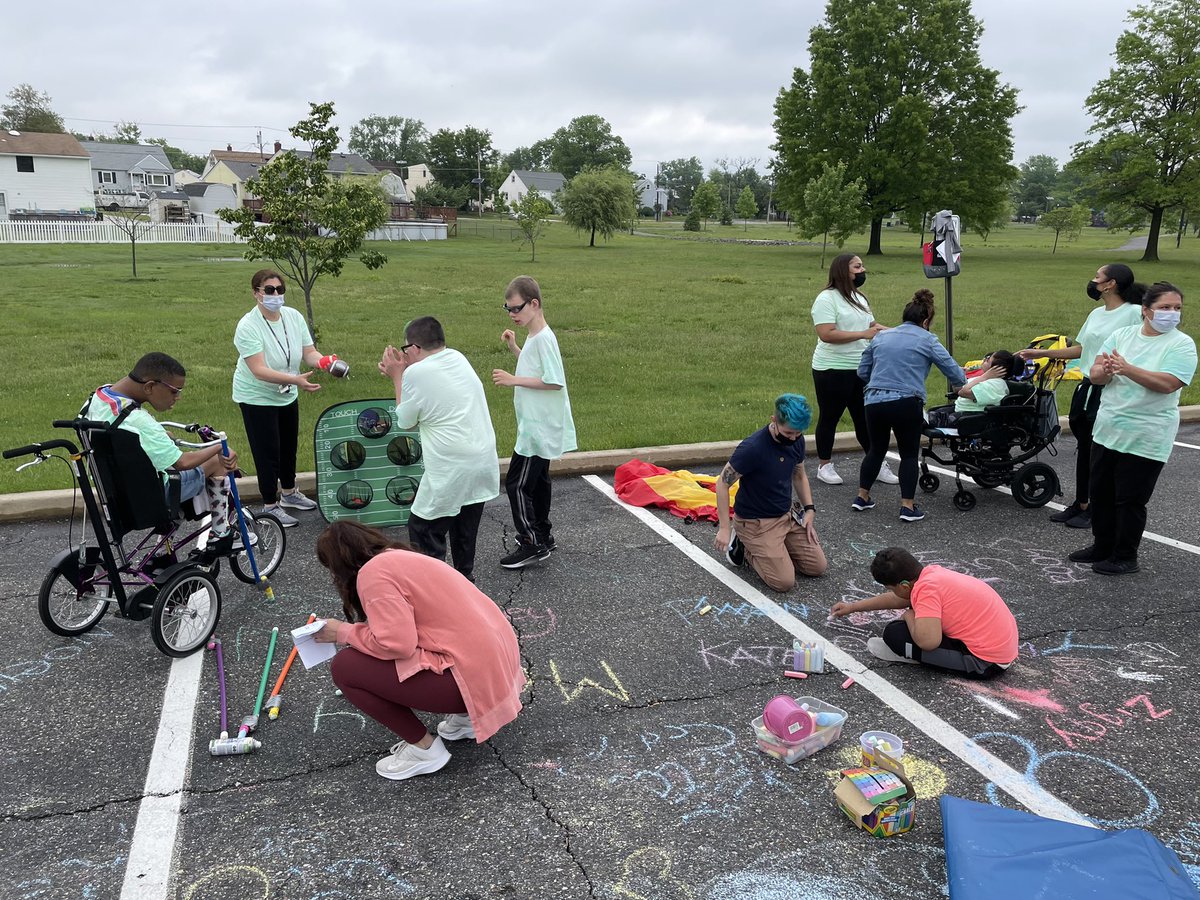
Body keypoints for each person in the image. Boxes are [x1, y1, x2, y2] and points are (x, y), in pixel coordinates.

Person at [313, 521, 524, 781]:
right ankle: (467, 718)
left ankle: (424, 750)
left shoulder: (372, 574)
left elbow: (397, 644)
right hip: (497, 669)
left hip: (471, 680)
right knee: (381, 648)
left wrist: (343, 633)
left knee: (345, 667)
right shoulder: (399, 557)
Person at [1068, 281, 1197, 576]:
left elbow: (1168, 383)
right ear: (1146, 310)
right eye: (1165, 307)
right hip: (1109, 427)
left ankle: (1125, 556)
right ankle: (1102, 546)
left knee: (1129, 499)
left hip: (1146, 434)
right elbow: (1097, 373)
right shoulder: (1122, 335)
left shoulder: (1181, 344)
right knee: (1101, 493)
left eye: (1177, 308)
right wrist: (1104, 371)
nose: (1172, 313)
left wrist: (1126, 369)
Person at [1018, 264, 1145, 529]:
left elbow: (1141, 347)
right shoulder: (1097, 313)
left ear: (1110, 284)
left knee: (1101, 453)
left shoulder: (1134, 313)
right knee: (1085, 448)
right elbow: (1082, 349)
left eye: (1097, 277)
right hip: (1087, 386)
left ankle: (1098, 508)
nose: (1093, 281)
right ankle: (1082, 503)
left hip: (1111, 390)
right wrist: (1041, 354)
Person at [85, 352, 244, 556]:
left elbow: (127, 433)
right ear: (150, 386)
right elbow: (182, 462)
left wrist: (158, 434)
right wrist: (219, 447)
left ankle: (163, 548)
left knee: (173, 468)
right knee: (216, 462)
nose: (177, 397)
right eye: (175, 391)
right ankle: (221, 534)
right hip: (152, 494)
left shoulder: (98, 397)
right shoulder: (140, 421)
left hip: (116, 490)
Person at [379, 316, 500, 581]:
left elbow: (405, 421)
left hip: (451, 465)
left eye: (405, 350)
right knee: (463, 527)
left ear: (414, 348)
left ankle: (437, 591)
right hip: (482, 460)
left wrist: (397, 375)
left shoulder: (415, 373)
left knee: (422, 528)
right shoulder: (458, 357)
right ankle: (465, 581)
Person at [232, 268, 338, 527]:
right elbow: (258, 370)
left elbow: (309, 352)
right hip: (257, 396)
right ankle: (270, 506)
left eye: (280, 290)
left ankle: (290, 493)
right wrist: (296, 380)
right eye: (269, 290)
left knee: (288, 446)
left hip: (286, 392)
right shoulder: (248, 326)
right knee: (267, 451)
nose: (276, 295)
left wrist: (324, 361)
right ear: (256, 293)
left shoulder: (292, 316)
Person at [855, 289, 966, 521]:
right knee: (907, 453)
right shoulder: (927, 339)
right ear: (926, 321)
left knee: (876, 449)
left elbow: (862, 370)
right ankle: (907, 506)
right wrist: (960, 386)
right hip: (906, 401)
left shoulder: (882, 337)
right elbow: (953, 371)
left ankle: (862, 497)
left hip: (874, 401)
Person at [492, 275, 577, 569]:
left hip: (538, 429)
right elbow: (535, 365)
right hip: (537, 425)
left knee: (516, 484)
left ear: (534, 303)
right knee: (539, 482)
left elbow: (554, 381)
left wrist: (513, 380)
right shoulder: (534, 336)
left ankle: (531, 542)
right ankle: (543, 533)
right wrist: (514, 348)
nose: (513, 315)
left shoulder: (544, 338)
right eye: (508, 310)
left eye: (516, 309)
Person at [830, 547, 1017, 679]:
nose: (891, 593)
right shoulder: (930, 576)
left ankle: (913, 655)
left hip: (984, 663)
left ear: (904, 585)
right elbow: (897, 599)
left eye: (891, 588)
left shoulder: (926, 591)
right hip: (999, 650)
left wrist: (910, 617)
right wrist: (853, 607)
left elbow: (928, 642)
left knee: (895, 633)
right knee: (915, 616)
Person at [713, 393, 827, 591]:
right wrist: (724, 528)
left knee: (817, 567)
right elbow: (722, 484)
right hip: (756, 522)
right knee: (783, 582)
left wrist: (809, 510)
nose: (793, 438)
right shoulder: (753, 448)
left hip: (786, 515)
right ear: (774, 420)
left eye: (798, 434)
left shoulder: (796, 440)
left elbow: (799, 475)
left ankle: (775, 550)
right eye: (788, 433)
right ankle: (744, 545)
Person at [809, 253, 899, 487]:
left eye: (861, 266)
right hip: (831, 368)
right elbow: (826, 333)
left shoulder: (859, 298)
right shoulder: (826, 299)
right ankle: (824, 465)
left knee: (865, 418)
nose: (862, 270)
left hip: (860, 368)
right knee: (830, 417)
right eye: (857, 266)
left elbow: (872, 326)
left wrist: (902, 333)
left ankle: (876, 463)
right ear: (843, 270)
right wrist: (862, 335)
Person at [926, 350, 1021, 428]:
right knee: (929, 413)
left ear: (995, 369)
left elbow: (963, 392)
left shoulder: (995, 385)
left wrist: (984, 377)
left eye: (988, 359)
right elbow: (958, 390)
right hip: (959, 410)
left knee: (925, 420)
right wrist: (959, 376)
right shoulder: (984, 378)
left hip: (971, 416)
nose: (984, 359)